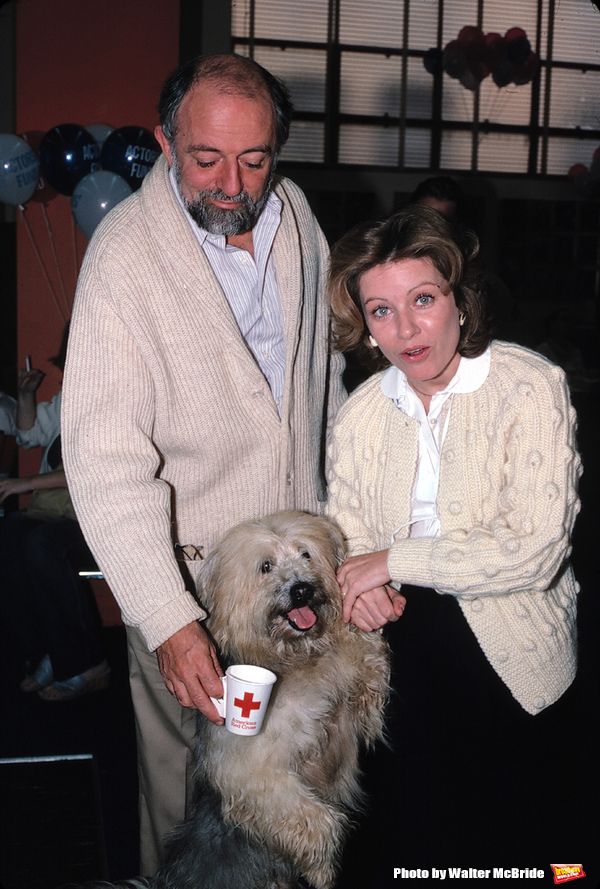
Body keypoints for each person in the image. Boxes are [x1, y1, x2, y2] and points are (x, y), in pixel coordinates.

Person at [61, 52, 345, 875]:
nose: (232, 184)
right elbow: (105, 459)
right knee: (190, 818)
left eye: (254, 159)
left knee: (299, 795)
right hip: (195, 595)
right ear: (164, 141)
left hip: (297, 583)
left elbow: (321, 391)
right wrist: (168, 618)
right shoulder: (125, 259)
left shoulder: (296, 218)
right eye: (206, 158)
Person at [325, 205, 582, 876]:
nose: (405, 328)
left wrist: (392, 561)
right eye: (380, 310)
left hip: (512, 650)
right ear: (365, 325)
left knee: (524, 853)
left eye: (423, 300)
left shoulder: (530, 386)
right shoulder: (359, 414)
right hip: (400, 651)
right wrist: (361, 589)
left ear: (459, 302)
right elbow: (348, 535)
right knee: (414, 847)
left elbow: (535, 549)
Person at [0, 329, 109, 702]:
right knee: (10, 535)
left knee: (41, 544)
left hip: (96, 520)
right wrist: (27, 395)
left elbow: (91, 470)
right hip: (54, 514)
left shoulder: (115, 400)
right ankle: (51, 650)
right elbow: (29, 434)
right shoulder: (69, 399)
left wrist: (24, 482)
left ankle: (88, 664)